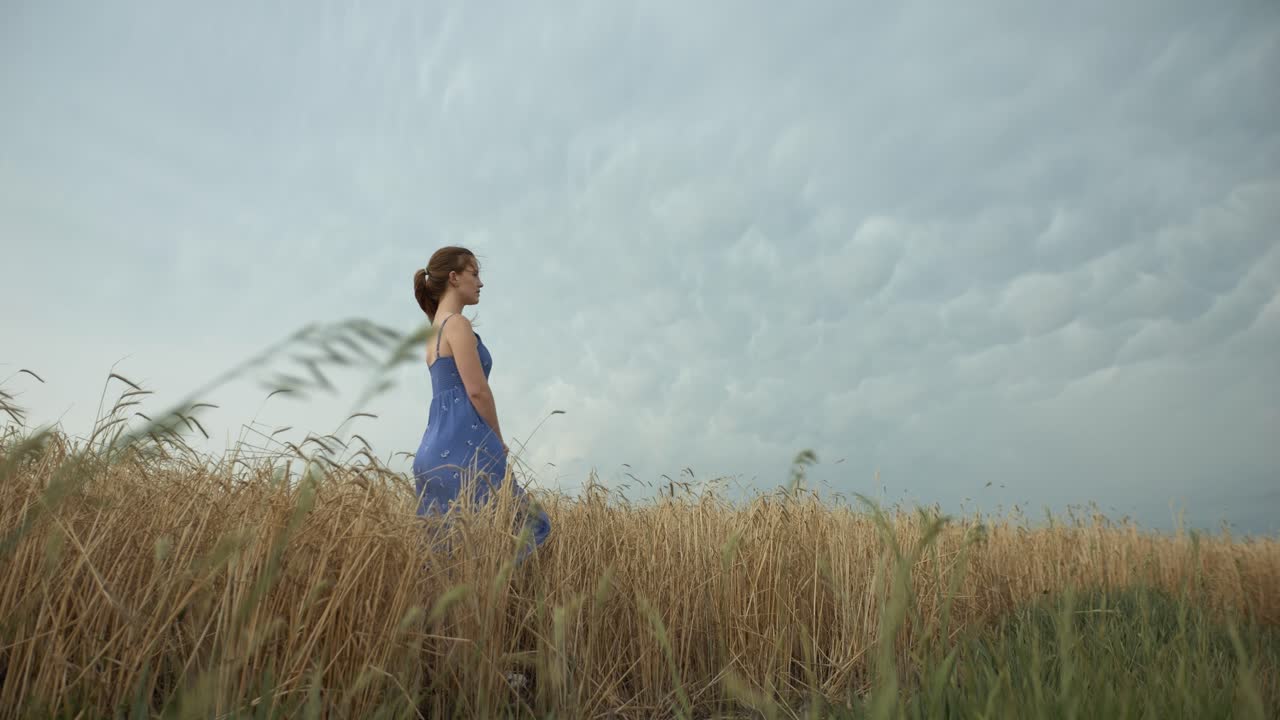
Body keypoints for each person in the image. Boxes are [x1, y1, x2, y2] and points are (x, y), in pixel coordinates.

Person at [411, 246, 551, 564]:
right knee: (526, 526)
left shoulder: (432, 333)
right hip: (467, 447)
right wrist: (497, 440)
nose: (480, 283)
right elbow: (477, 392)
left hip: (432, 452)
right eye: (474, 274)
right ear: (454, 277)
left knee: (450, 557)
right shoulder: (457, 325)